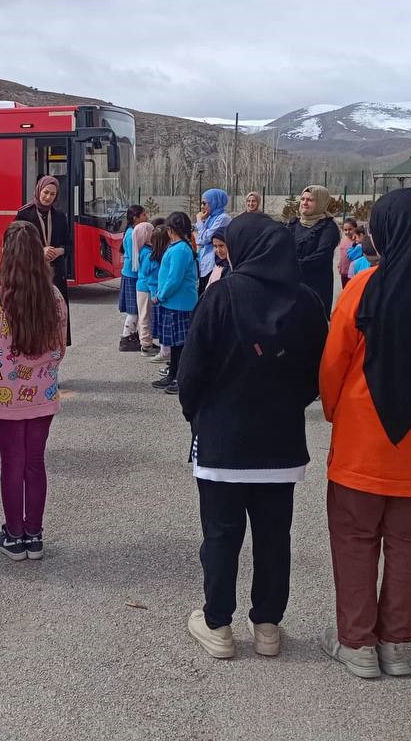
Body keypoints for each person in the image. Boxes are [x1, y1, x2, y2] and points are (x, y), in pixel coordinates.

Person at [318, 189, 411, 678]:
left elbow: (333, 364)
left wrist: (337, 413)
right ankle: (397, 645)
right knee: (408, 541)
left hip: (366, 435)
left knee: (354, 538)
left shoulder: (365, 286)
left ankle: (357, 643)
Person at [178, 213, 328, 661]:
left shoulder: (222, 293)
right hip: (280, 441)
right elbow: (315, 374)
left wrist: (199, 415)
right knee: (274, 535)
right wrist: (286, 405)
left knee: (221, 534)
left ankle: (218, 624)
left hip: (223, 440)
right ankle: (267, 625)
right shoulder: (306, 300)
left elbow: (192, 371)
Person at [0, 221, 67, 561]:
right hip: (43, 394)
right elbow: (60, 349)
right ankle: (35, 533)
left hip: (6, 396)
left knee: (11, 464)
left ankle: (13, 534)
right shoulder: (55, 298)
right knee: (35, 463)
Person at [15, 176, 72, 347]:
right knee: (34, 314)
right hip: (32, 274)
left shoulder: (60, 216)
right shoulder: (24, 213)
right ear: (39, 190)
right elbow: (16, 244)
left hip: (55, 274)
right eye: (45, 192)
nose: (48, 197)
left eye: (52, 194)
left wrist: (59, 251)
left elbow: (70, 245)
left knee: (55, 315)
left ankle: (53, 355)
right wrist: (40, 251)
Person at [151, 212, 199, 396]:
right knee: (175, 345)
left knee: (181, 345)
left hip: (179, 303)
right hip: (175, 302)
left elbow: (174, 279)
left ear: (171, 230)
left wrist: (160, 295)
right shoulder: (180, 247)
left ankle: (181, 378)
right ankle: (173, 374)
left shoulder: (180, 250)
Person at [288, 185, 341, 311]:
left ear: (321, 203)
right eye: (303, 199)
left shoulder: (328, 227)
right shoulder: (293, 224)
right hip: (291, 285)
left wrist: (291, 265)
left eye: (310, 200)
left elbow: (321, 256)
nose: (304, 203)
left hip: (315, 288)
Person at [117, 205, 148, 351]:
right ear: (135, 217)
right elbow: (135, 255)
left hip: (131, 273)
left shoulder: (132, 231)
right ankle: (126, 337)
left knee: (135, 309)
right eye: (143, 215)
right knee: (133, 310)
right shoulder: (131, 234)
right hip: (132, 275)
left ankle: (132, 335)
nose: (146, 217)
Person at [195, 190, 231, 294]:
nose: (202, 206)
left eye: (205, 203)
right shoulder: (210, 217)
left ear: (215, 202)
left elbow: (203, 239)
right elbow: (200, 240)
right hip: (205, 262)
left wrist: (199, 220)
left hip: (215, 262)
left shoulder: (223, 218)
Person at [139, 221, 166, 360]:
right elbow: (148, 274)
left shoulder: (150, 253)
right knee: (145, 316)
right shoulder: (148, 254)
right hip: (147, 289)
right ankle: (145, 345)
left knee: (148, 316)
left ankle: (149, 343)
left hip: (151, 290)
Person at [203, 222, 231, 290]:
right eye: (215, 246)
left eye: (221, 246)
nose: (218, 250)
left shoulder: (234, 267)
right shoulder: (218, 264)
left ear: (230, 244)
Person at [336, 218, 359, 290]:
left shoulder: (357, 241)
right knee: (345, 289)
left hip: (353, 273)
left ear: (355, 228)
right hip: (344, 271)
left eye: (350, 229)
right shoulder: (343, 240)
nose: (347, 232)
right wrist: (340, 264)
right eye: (345, 230)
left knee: (352, 290)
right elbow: (342, 253)